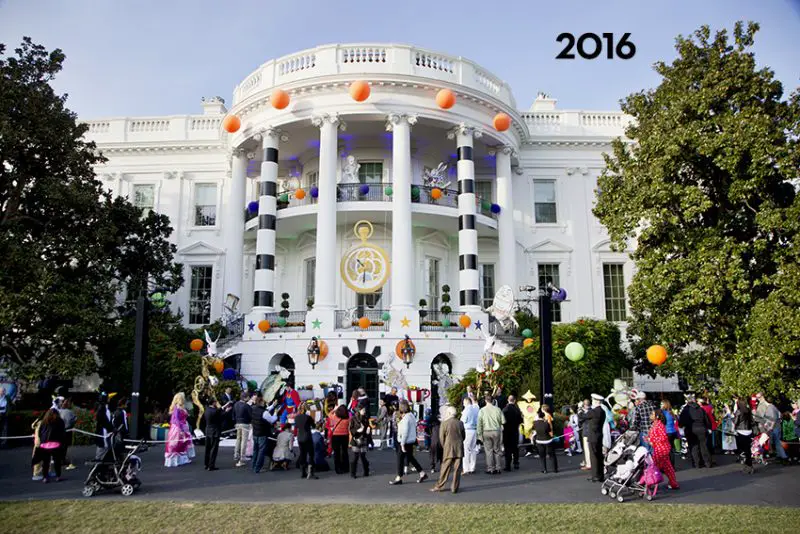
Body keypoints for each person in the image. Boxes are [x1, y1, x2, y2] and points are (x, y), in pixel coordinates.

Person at [389, 400, 427, 485]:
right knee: (410, 458)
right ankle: (422, 473)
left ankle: (399, 477)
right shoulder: (411, 416)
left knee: (400, 459)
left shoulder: (406, 418)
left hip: (405, 441)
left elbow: (405, 431)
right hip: (410, 440)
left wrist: (402, 443)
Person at [431, 405, 465, 494]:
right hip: (459, 448)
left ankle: (440, 485)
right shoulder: (460, 423)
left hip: (448, 448)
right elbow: (463, 436)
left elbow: (441, 438)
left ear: (449, 413)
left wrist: (445, 446)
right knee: (457, 469)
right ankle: (454, 488)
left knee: (445, 468)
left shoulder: (444, 423)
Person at [31, 407, 65, 483]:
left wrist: (42, 440)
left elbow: (40, 432)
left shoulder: (44, 422)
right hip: (56, 444)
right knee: (57, 461)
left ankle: (45, 477)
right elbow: (62, 432)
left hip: (44, 444)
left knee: (46, 462)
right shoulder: (59, 421)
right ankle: (58, 476)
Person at [679, 394, 712, 469]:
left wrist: (682, 427)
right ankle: (707, 463)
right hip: (702, 428)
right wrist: (708, 428)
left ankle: (697, 463)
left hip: (691, 429)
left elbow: (681, 422)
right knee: (704, 446)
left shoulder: (686, 410)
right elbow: (706, 420)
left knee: (694, 447)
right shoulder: (700, 409)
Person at [648, 411, 679, 490]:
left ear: (657, 416)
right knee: (668, 468)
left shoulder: (659, 425)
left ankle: (649, 483)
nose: (650, 415)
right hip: (660, 448)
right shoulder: (655, 424)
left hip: (661, 449)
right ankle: (673, 484)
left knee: (654, 468)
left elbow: (663, 437)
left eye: (652, 414)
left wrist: (651, 439)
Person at [164, 392, 196, 467]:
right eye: (183, 398)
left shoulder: (182, 407)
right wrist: (180, 430)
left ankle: (182, 459)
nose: (184, 399)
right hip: (178, 428)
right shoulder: (177, 408)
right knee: (176, 444)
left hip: (184, 426)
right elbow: (176, 420)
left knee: (183, 443)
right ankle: (175, 461)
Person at [251, 394, 280, 474]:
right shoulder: (264, 412)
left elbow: (265, 410)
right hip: (262, 433)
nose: (265, 403)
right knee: (261, 451)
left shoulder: (253, 409)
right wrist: (275, 413)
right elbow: (272, 420)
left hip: (255, 432)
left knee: (255, 450)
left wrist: (272, 406)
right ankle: (258, 468)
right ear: (261, 402)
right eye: (264, 402)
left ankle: (253, 466)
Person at [477, 393, 505, 475]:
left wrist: (479, 435)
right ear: (493, 401)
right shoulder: (498, 409)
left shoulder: (482, 410)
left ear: (485, 401)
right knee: (497, 450)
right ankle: (498, 467)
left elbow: (479, 424)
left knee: (488, 451)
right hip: (496, 431)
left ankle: (490, 468)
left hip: (486, 431)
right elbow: (503, 421)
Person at [754, 393, 787, 462]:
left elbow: (773, 419)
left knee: (775, 442)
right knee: (776, 442)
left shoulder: (770, 407)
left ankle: (784, 457)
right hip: (777, 427)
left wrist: (770, 427)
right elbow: (780, 415)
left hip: (774, 428)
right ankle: (780, 456)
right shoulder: (774, 407)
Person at [204, 398, 229, 471]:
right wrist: (226, 411)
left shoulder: (207, 410)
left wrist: (224, 406)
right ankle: (211, 465)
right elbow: (221, 417)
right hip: (215, 431)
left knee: (207, 448)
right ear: (214, 403)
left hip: (208, 430)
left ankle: (206, 464)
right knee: (214, 449)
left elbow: (219, 411)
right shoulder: (215, 411)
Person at [586, 393, 606, 483]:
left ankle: (595, 476)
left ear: (596, 401)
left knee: (593, 456)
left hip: (593, 436)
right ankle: (600, 475)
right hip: (599, 435)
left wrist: (580, 410)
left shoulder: (593, 412)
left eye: (593, 400)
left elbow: (582, 416)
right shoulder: (602, 411)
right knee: (599, 455)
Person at [294, 403, 316, 479]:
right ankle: (310, 472)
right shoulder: (308, 417)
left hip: (300, 437)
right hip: (307, 437)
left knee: (302, 454)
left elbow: (296, 427)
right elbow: (314, 425)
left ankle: (303, 471)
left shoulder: (296, 418)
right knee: (310, 454)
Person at [349, 402, 371, 478]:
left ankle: (366, 471)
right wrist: (357, 431)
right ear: (359, 410)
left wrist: (368, 431)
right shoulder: (353, 419)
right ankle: (353, 473)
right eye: (363, 410)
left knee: (363, 456)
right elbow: (351, 429)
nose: (364, 411)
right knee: (355, 457)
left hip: (363, 438)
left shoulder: (365, 418)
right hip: (356, 439)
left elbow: (368, 428)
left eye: (364, 410)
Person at [734, 399, 755, 474]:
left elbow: (736, 422)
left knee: (742, 450)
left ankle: (746, 465)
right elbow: (752, 421)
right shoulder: (749, 410)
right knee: (748, 450)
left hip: (741, 431)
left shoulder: (739, 411)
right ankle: (750, 465)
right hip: (749, 431)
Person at [328, 404, 351, 474]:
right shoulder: (348, 419)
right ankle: (346, 467)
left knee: (336, 453)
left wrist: (335, 409)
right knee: (344, 452)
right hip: (345, 435)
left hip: (336, 435)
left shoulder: (334, 417)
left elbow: (329, 414)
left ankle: (337, 468)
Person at [502, 395, 523, 471]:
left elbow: (502, 421)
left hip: (507, 431)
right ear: (514, 400)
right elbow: (521, 420)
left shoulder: (505, 410)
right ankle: (516, 463)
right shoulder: (517, 410)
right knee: (515, 448)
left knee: (507, 449)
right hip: (515, 431)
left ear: (508, 400)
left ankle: (508, 465)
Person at [57, 398, 77, 470]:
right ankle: (63, 459)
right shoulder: (70, 412)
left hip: (59, 431)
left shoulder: (58, 411)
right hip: (68, 430)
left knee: (60, 445)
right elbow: (74, 419)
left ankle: (59, 459)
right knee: (65, 446)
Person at [461, 397, 479, 475]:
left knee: (466, 450)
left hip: (467, 430)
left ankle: (466, 469)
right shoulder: (475, 409)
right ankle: (472, 467)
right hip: (474, 430)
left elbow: (463, 421)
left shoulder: (466, 410)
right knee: (473, 449)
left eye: (463, 403)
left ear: (466, 402)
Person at [233, 392, 252, 467]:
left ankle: (236, 454)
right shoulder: (246, 406)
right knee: (244, 441)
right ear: (245, 398)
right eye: (248, 397)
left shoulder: (236, 404)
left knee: (238, 439)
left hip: (238, 423)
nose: (249, 398)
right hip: (245, 424)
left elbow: (233, 414)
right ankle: (242, 458)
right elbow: (251, 415)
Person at [94, 392, 115, 460]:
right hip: (103, 432)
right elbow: (103, 420)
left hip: (105, 432)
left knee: (105, 448)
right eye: (108, 398)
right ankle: (97, 466)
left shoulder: (104, 407)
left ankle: (101, 465)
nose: (109, 399)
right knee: (103, 447)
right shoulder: (102, 408)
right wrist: (111, 428)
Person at [661, 400, 679, 464]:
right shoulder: (671, 412)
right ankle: (672, 464)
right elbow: (677, 419)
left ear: (665, 405)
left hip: (667, 432)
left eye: (661, 404)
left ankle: (669, 465)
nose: (660, 405)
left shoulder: (663, 412)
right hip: (673, 432)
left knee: (667, 450)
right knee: (671, 448)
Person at [578, 399, 592, 471]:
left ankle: (589, 464)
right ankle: (591, 463)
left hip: (586, 432)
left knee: (587, 449)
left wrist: (580, 410)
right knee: (592, 449)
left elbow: (580, 421)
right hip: (592, 432)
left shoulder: (584, 413)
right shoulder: (593, 410)